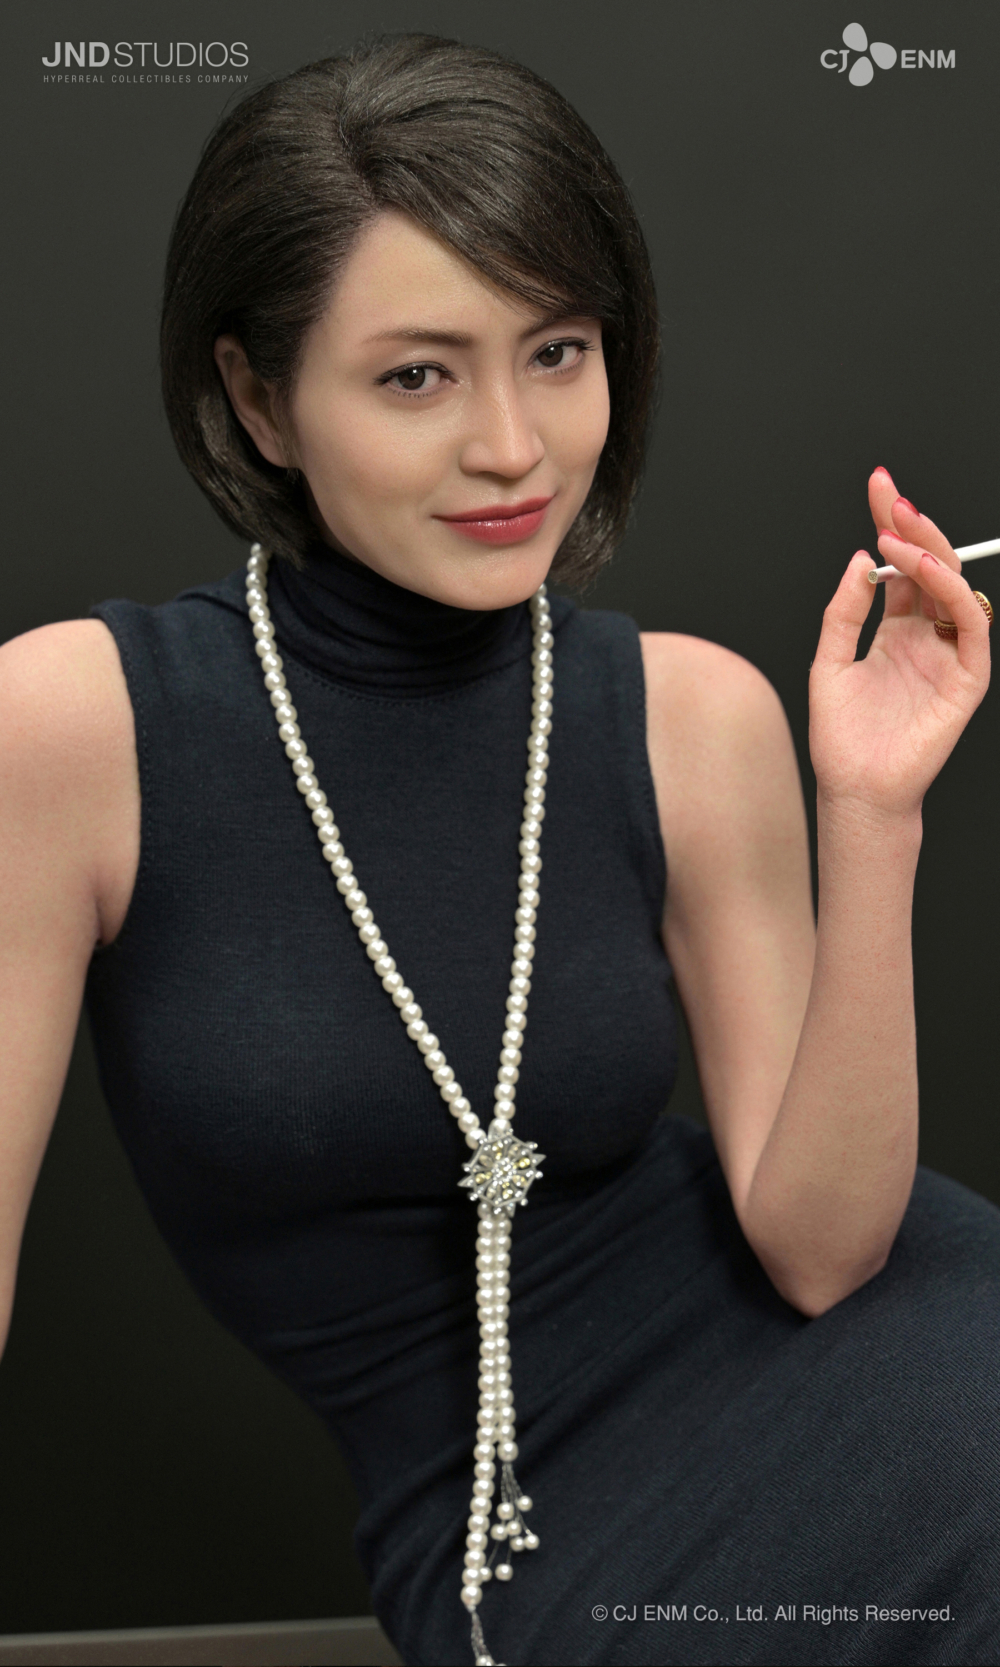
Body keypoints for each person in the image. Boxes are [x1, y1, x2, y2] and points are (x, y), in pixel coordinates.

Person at [1, 32, 997, 1667]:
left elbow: (824, 1258)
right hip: (513, 1526)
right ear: (258, 398)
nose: (515, 447)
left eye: (558, 351)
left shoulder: (694, 715)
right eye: (418, 376)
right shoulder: (69, 731)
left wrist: (873, 811)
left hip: (905, 1369)